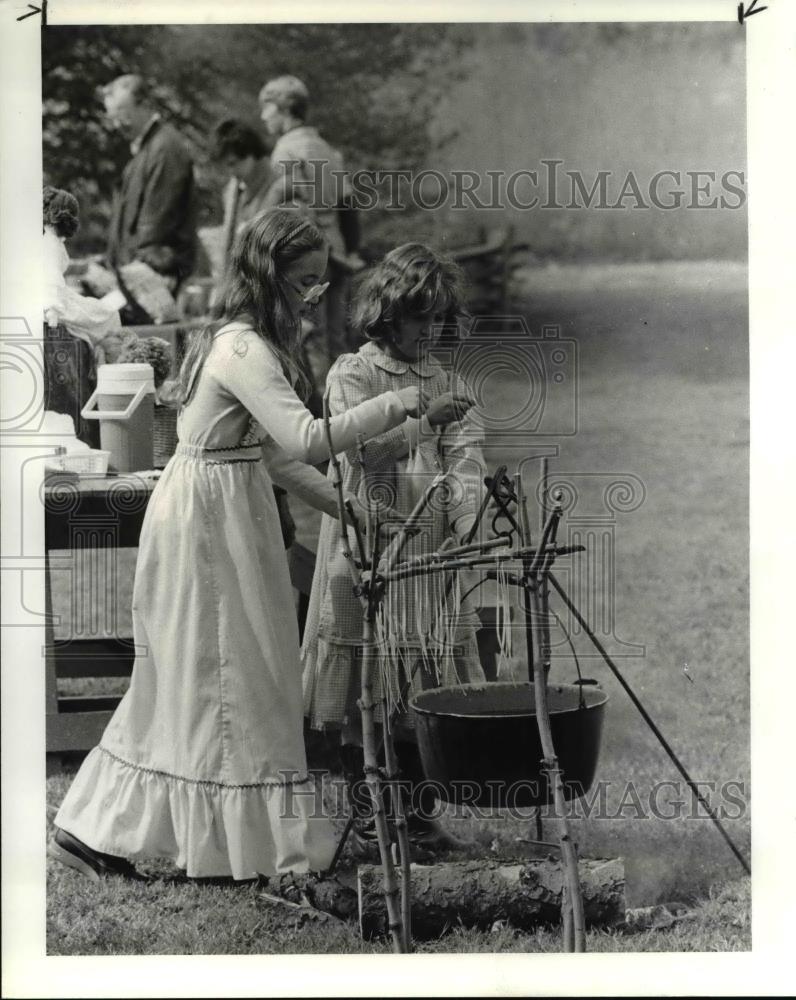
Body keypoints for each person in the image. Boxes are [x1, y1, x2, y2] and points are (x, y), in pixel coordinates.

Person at [49, 210, 426, 882]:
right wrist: (399, 404)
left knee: (223, 678)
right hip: (206, 520)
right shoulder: (242, 347)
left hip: (229, 502)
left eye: (318, 283)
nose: (313, 296)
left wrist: (353, 509)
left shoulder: (249, 345)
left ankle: (131, 833)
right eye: (304, 282)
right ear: (267, 273)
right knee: (219, 677)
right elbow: (309, 439)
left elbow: (278, 460)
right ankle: (117, 831)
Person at [301, 243, 488, 859]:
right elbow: (360, 455)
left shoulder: (450, 381)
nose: (429, 330)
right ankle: (375, 821)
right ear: (387, 312)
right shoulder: (353, 374)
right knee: (370, 685)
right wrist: (423, 422)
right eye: (418, 317)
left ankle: (422, 819)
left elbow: (466, 460)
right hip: (371, 539)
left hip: (429, 548)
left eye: (438, 318)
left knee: (424, 682)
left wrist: (466, 518)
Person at [258, 75, 361, 391]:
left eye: (267, 108)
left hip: (307, 257)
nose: (263, 117)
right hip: (338, 252)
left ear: (284, 109)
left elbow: (283, 215)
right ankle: (350, 414)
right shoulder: (328, 150)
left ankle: (325, 422)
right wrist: (352, 250)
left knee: (311, 340)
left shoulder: (285, 153)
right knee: (336, 340)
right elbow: (349, 206)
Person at [42, 186, 125, 447]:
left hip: (51, 305)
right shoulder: (49, 243)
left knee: (106, 314)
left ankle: (109, 372)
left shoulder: (46, 240)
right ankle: (111, 379)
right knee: (107, 314)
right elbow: (50, 288)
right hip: (50, 310)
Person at [102, 74, 197, 299]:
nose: (117, 124)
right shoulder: (147, 150)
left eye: (122, 113)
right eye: (112, 116)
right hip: (142, 277)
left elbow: (155, 226)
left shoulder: (164, 149)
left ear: (144, 104)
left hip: (155, 279)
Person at [211, 118, 274, 264]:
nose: (230, 171)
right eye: (226, 165)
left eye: (234, 163)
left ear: (251, 153)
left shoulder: (278, 187)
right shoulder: (232, 190)